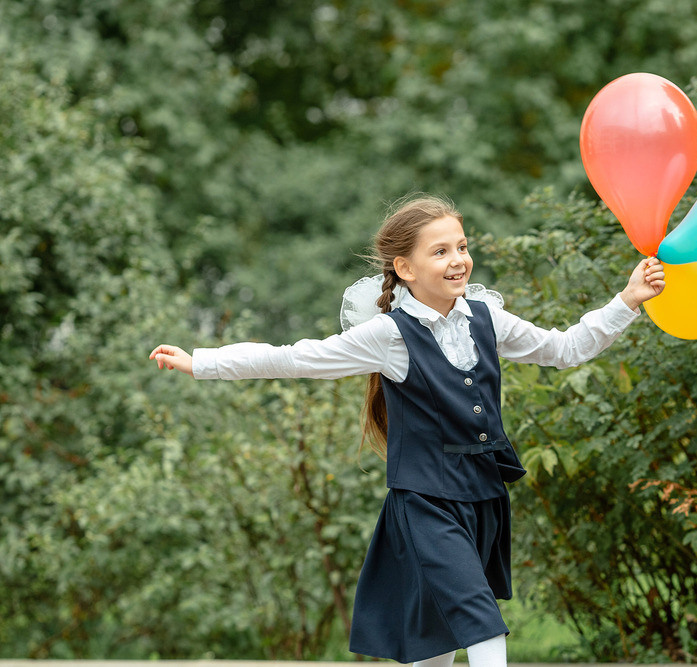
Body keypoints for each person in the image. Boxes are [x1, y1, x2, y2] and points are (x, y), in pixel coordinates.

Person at [149, 194, 665, 667]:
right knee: (481, 620)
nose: (458, 259)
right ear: (405, 268)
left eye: (461, 246)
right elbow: (294, 358)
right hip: (425, 502)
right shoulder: (389, 336)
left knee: (434, 642)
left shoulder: (487, 318)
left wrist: (628, 299)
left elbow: (565, 348)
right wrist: (203, 363)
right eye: (440, 251)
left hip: (483, 496)